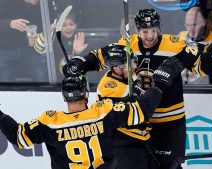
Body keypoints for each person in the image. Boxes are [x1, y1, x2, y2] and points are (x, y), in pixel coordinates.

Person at [63, 8, 212, 169]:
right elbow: (103, 55)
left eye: (153, 30)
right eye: (144, 31)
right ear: (138, 30)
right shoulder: (129, 44)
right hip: (143, 121)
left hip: (170, 121)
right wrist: (81, 63)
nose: (150, 36)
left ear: (159, 28)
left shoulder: (175, 44)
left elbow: (202, 68)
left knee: (171, 165)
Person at [0, 54, 184, 169]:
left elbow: (17, 137)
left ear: (64, 96)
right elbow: (142, 111)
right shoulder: (103, 112)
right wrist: (159, 83)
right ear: (86, 93)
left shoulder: (50, 122)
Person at [0, 0, 47, 82]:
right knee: (5, 83)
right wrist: (10, 24)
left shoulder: (45, 3)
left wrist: (41, 35)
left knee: (42, 78)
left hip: (32, 49)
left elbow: (52, 23)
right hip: (7, 49)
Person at [179, 6, 212, 84]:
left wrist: (208, 62)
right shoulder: (181, 37)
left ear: (204, 22)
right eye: (188, 25)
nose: (191, 29)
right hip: (185, 88)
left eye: (194, 25)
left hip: (206, 88)